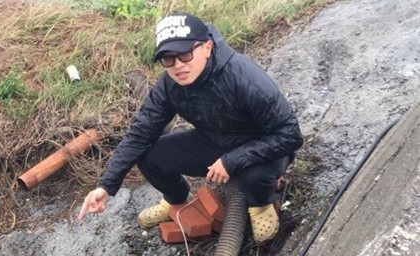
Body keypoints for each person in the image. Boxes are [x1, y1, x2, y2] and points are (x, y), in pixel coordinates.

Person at [77, 12, 303, 243]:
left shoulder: (243, 78)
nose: (178, 66)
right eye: (168, 59)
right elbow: (140, 134)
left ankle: (261, 204)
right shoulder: (170, 84)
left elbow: (290, 135)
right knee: (149, 155)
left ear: (207, 47)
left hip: (263, 145)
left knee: (253, 177)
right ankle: (174, 200)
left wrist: (233, 160)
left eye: (185, 54)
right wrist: (106, 186)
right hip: (214, 140)